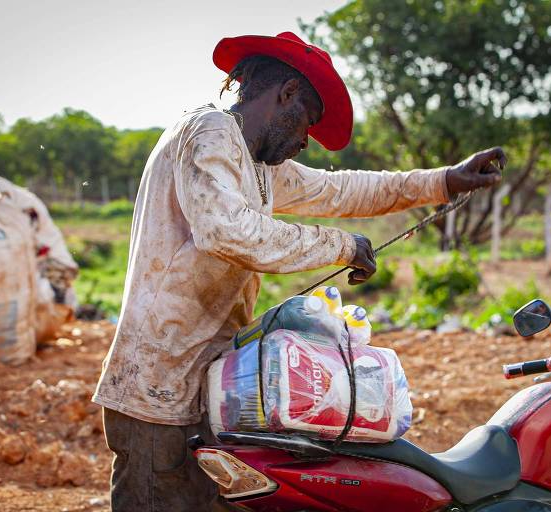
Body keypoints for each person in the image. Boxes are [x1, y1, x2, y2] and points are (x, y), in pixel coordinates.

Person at [92, 31, 506, 512]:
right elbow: (227, 232)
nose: (306, 141)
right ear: (285, 93)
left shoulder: (259, 165)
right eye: (306, 121)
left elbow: (342, 191)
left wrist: (442, 181)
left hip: (206, 384)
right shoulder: (209, 133)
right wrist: (341, 246)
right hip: (154, 390)